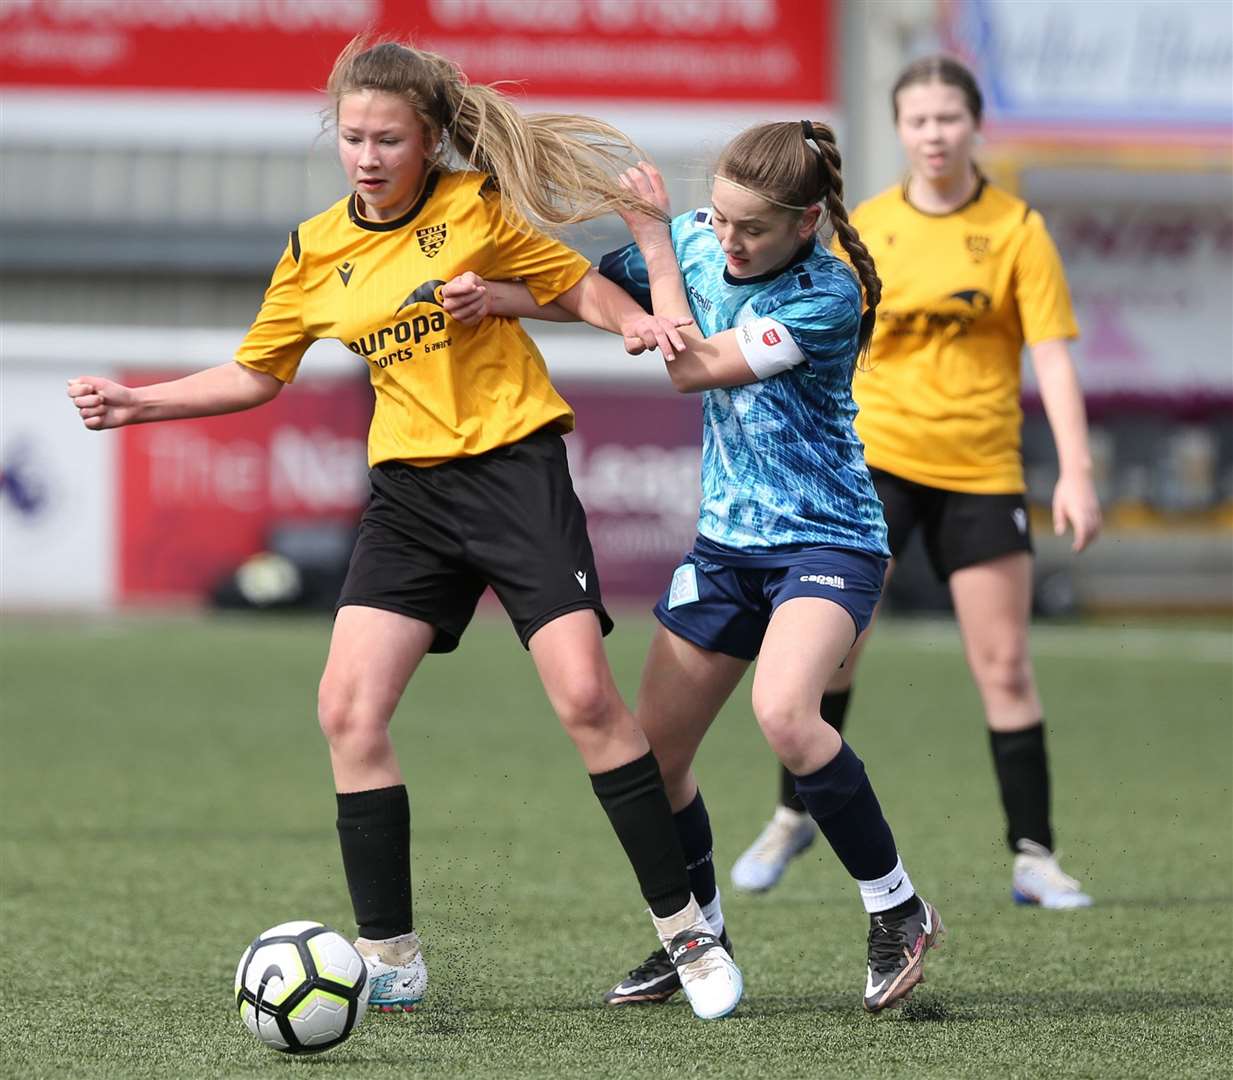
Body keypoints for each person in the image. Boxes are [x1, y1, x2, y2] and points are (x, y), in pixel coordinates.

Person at [66, 37, 743, 1022]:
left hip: (514, 470)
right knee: (347, 710)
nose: (368, 155)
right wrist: (138, 403)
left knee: (588, 702)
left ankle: (687, 933)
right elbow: (259, 372)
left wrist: (626, 321)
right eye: (352, 137)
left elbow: (570, 284)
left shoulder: (474, 211)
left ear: (428, 139)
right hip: (409, 498)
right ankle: (390, 956)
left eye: (388, 138)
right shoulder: (313, 250)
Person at [449, 120, 945, 1013]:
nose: (724, 240)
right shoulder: (691, 242)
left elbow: (693, 367)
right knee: (656, 757)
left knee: (785, 715)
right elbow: (586, 292)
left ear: (806, 224)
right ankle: (698, 940)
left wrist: (653, 238)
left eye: (748, 228)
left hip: (827, 539)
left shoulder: (826, 296)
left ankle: (897, 908)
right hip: (725, 549)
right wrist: (496, 297)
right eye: (713, 219)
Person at [730, 55, 1102, 909]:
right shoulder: (868, 227)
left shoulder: (1016, 230)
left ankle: (1033, 855)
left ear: (974, 126)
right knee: (836, 649)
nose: (933, 134)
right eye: (917, 120)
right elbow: (809, 338)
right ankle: (792, 819)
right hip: (875, 468)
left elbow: (1051, 356)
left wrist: (1075, 470)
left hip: (980, 471)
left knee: (1004, 663)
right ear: (898, 129)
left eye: (948, 118)